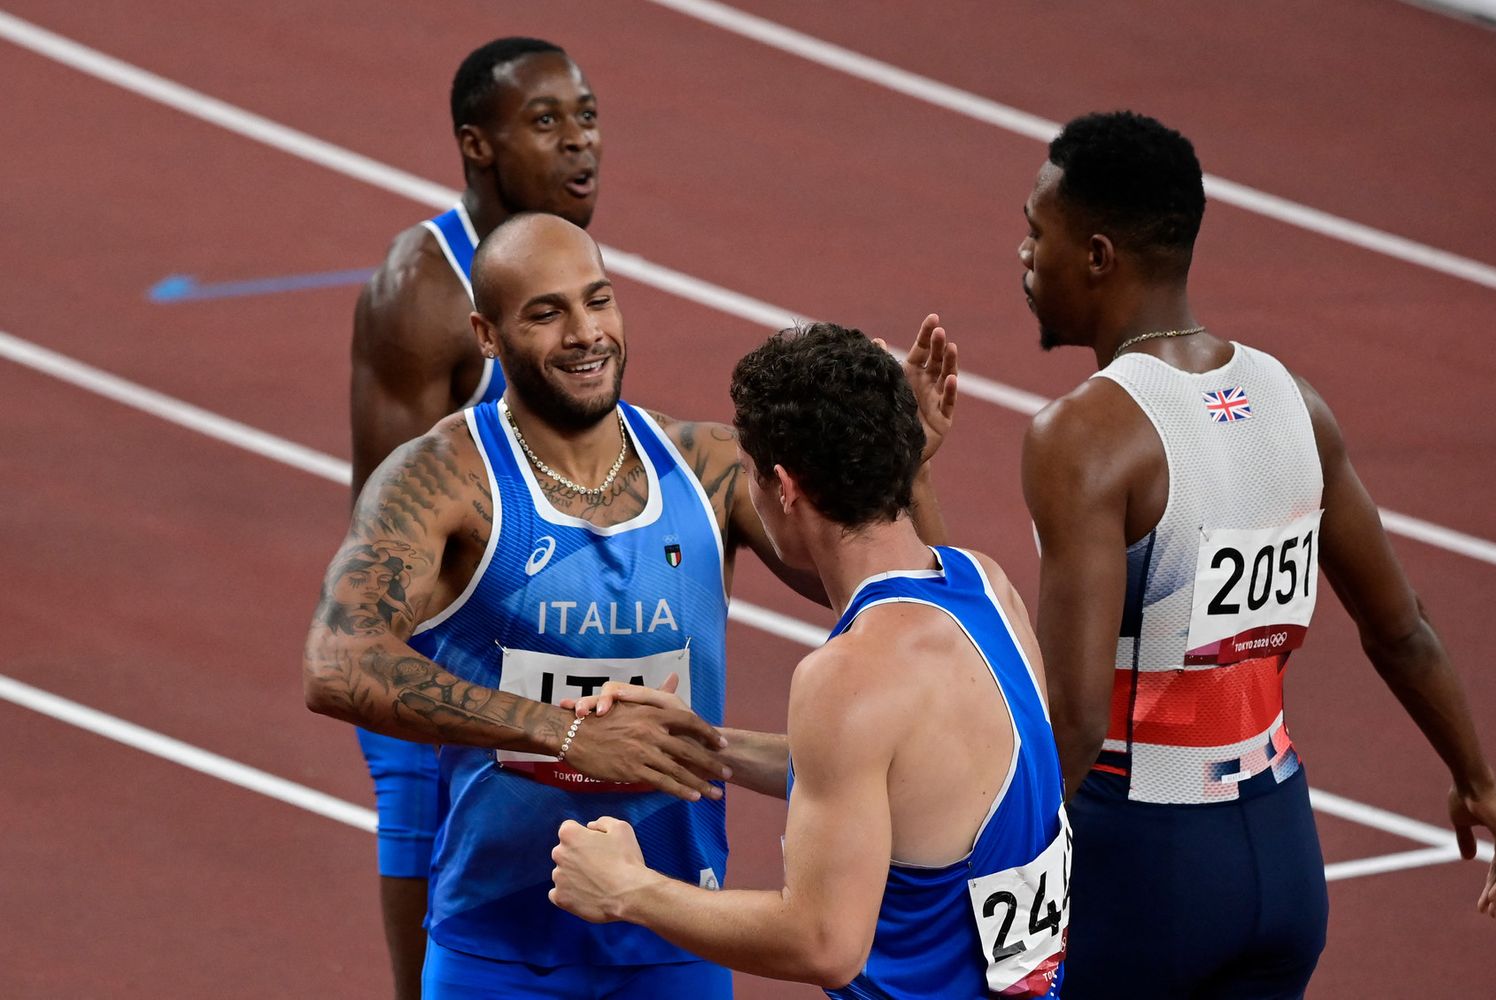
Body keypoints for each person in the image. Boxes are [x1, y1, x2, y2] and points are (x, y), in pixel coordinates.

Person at [305, 213, 956, 998]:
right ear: (486, 335)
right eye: (546, 313)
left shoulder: (708, 466)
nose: (586, 333)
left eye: (599, 300)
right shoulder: (441, 479)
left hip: (676, 940)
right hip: (498, 950)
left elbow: (907, 610)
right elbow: (337, 662)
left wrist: (904, 467)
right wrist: (565, 732)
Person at [1016, 110, 1496, 998]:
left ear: (1097, 255)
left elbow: (1076, 720)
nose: (1024, 256)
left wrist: (993, 863)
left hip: (1141, 866)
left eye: (1035, 233)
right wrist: (1476, 779)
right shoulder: (1293, 402)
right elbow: (1402, 628)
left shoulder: (1083, 437)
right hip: (1280, 852)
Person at [549, 323, 1068, 999]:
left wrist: (628, 888)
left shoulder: (848, 677)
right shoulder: (986, 587)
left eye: (749, 473)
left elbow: (824, 943)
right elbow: (906, 776)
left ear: (785, 487)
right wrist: (709, 747)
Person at [346, 37, 602, 995]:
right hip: (435, 655)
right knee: (440, 932)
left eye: (586, 116)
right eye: (546, 121)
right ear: (477, 145)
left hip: (538, 642)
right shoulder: (424, 292)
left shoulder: (563, 269)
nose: (579, 141)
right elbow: (387, 534)